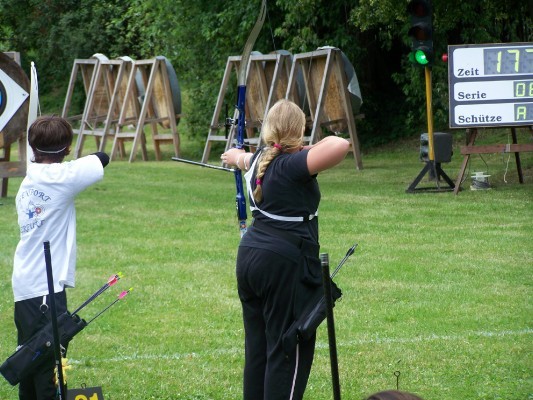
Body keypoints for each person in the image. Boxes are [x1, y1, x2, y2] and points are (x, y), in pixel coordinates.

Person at [221, 99, 350, 400]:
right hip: (282, 264)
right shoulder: (291, 165)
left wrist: (238, 156)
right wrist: (299, 149)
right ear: (299, 130)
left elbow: (241, 158)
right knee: (287, 347)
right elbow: (340, 144)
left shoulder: (259, 160)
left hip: (250, 257)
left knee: (258, 349)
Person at [12, 115, 109, 400]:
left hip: (26, 284)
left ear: (32, 148)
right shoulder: (60, 177)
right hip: (45, 287)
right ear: (67, 149)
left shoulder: (31, 177)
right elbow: (101, 158)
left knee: (29, 357)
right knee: (48, 365)